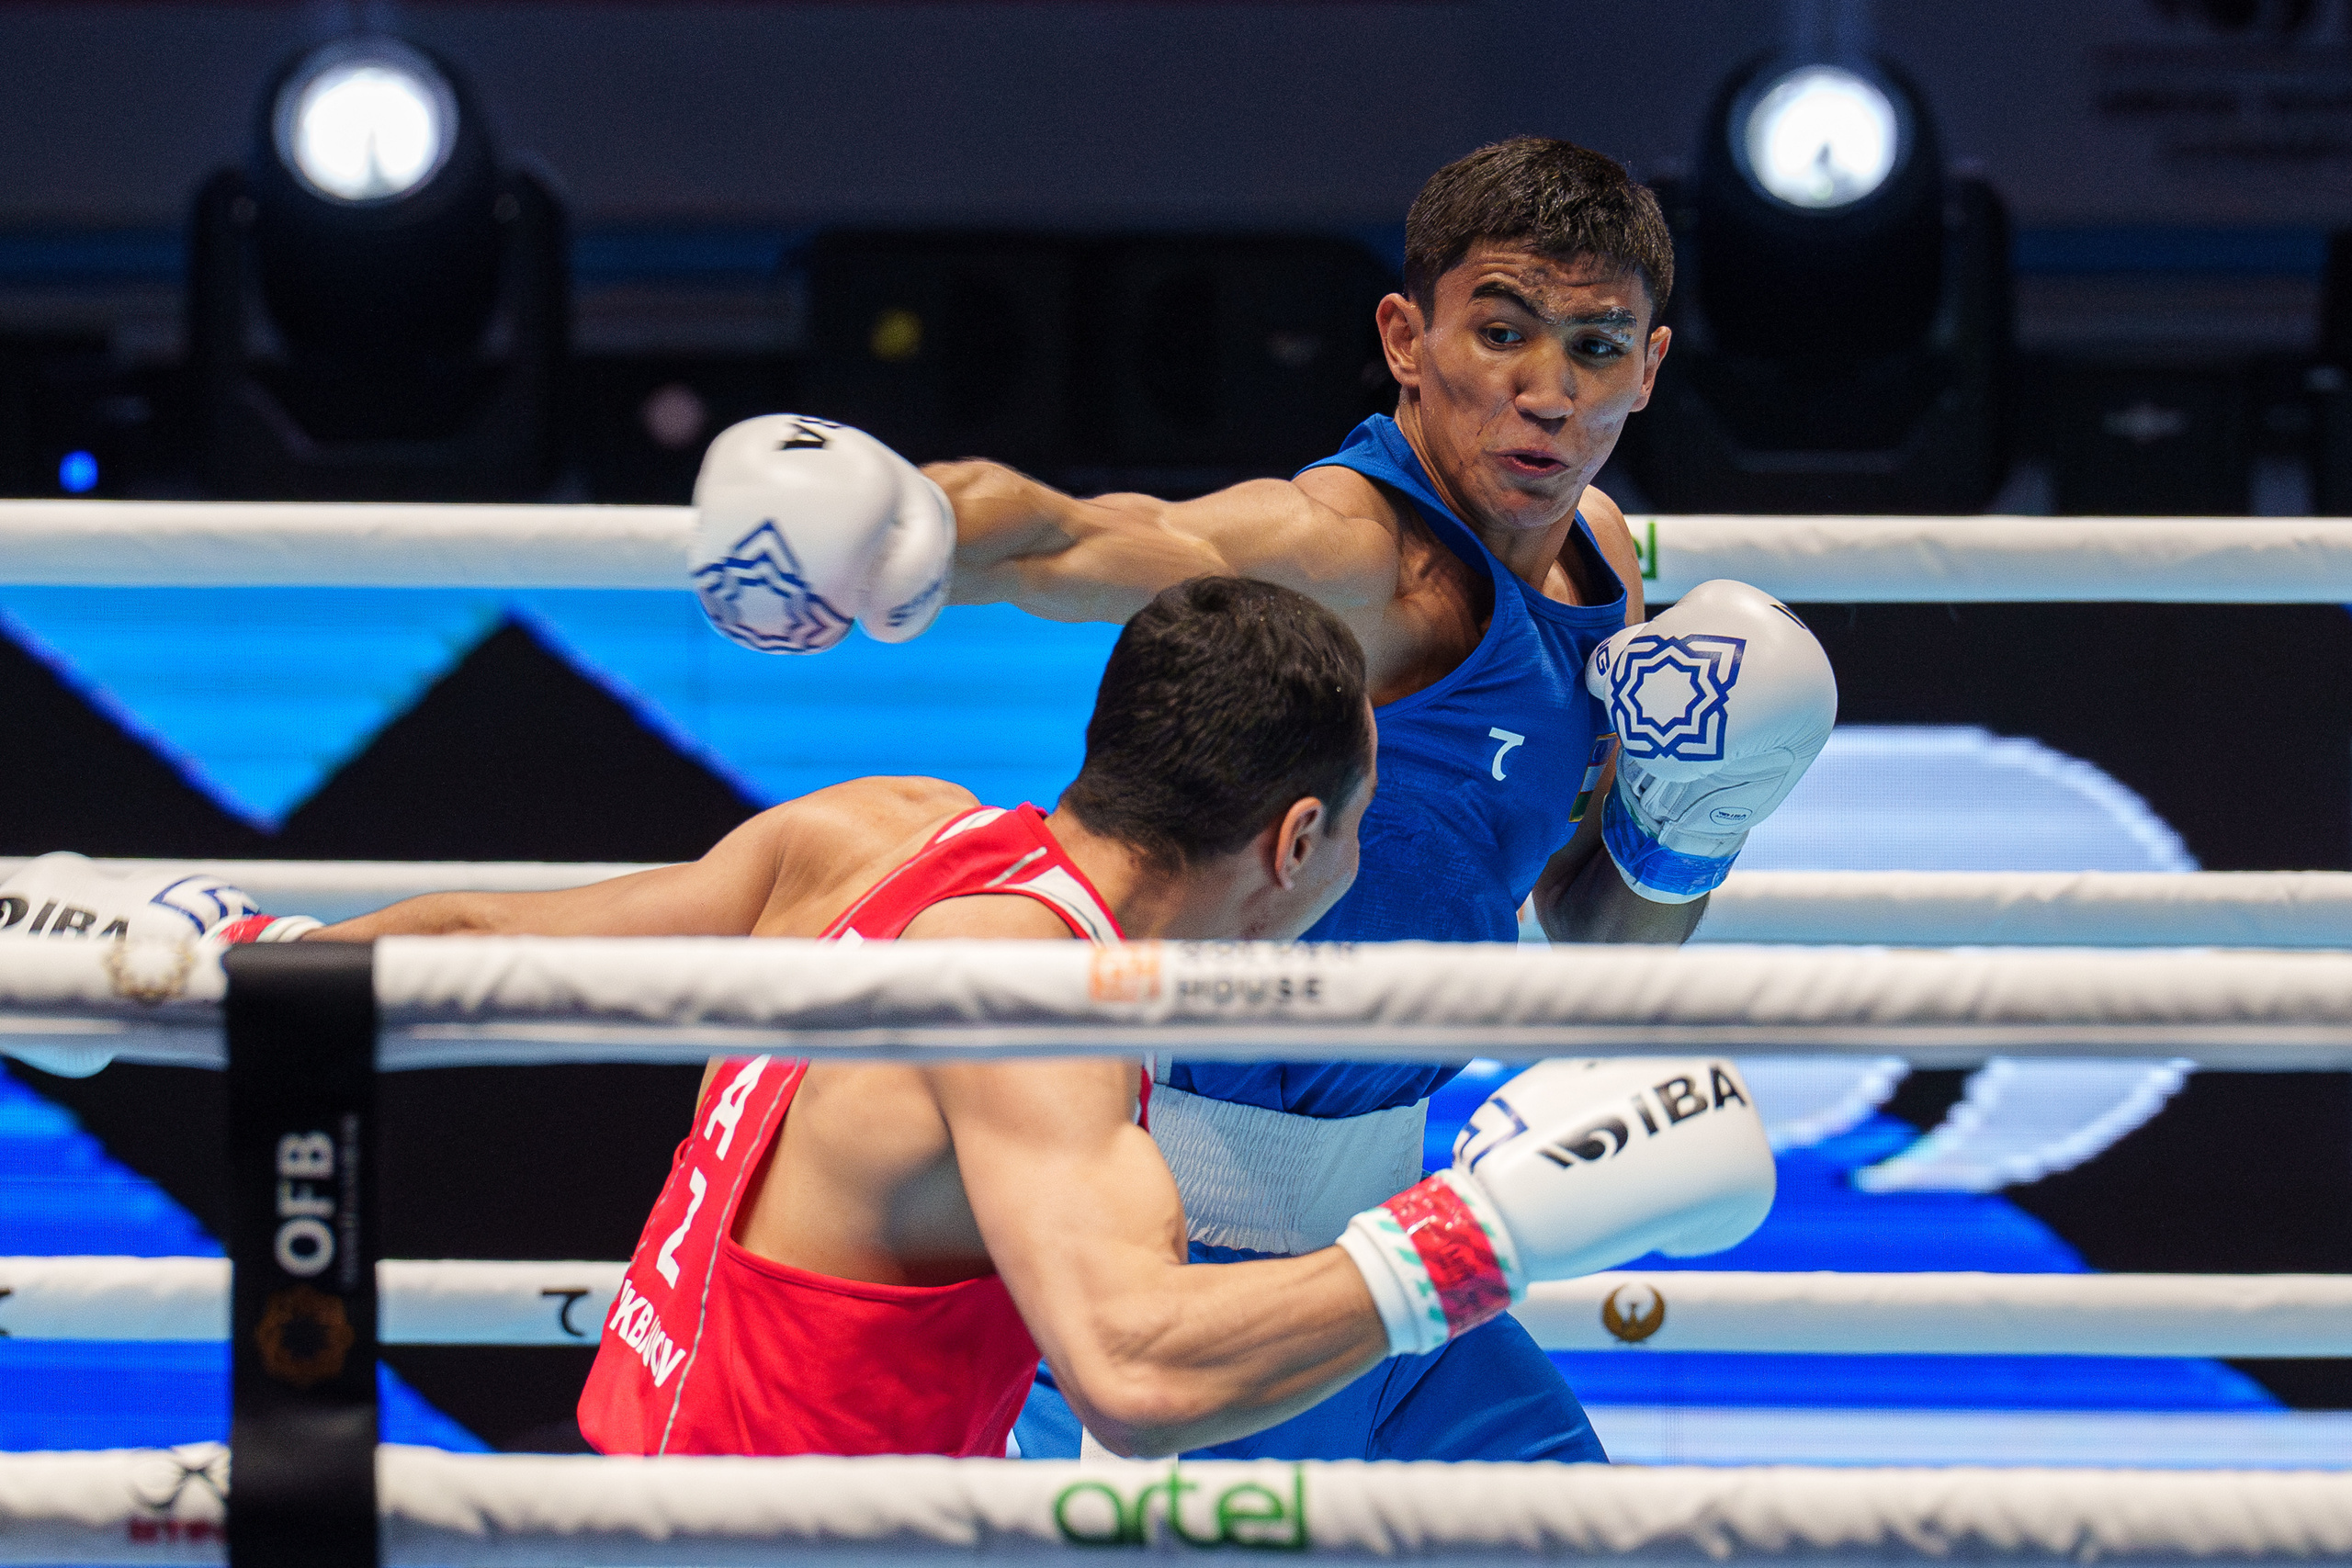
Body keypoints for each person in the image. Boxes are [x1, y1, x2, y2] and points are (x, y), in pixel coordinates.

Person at [12, 578, 1760, 1460]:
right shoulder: (1045, 1011)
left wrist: (217, 970)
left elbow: (476, 940)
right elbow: (1139, 1374)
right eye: (1360, 831)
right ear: (1296, 842)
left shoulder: (880, 830)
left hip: (630, 1474)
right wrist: (1491, 1230)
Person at [684, 138, 1838, 1461]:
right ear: (1406, 339)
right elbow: (1109, 536)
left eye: (1592, 346)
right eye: (1502, 333)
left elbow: (1587, 946)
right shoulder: (1360, 551)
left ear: (1649, 366)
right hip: (1194, 1255)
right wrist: (914, 520)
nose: (1545, 395)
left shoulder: (1602, 567)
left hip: (1389, 1244)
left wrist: (1684, 830)